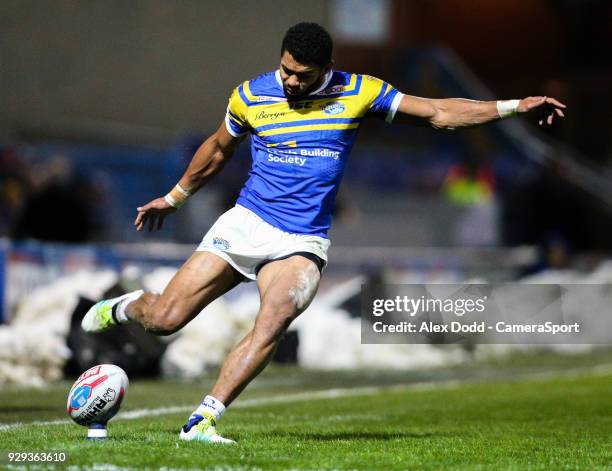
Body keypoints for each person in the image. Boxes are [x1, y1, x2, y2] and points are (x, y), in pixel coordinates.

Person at [81, 22, 565, 444]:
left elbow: (438, 112)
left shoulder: (359, 92)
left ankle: (202, 420)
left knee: (274, 318)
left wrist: (513, 106)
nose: (291, 81)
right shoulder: (251, 94)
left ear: (327, 66)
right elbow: (217, 148)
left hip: (301, 240)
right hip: (247, 222)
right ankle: (125, 305)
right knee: (166, 318)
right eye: (287, 70)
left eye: (303, 75)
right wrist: (174, 197)